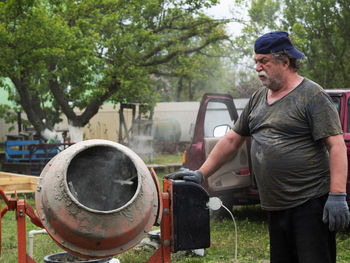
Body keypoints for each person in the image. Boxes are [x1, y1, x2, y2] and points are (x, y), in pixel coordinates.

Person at [167, 31, 350, 263]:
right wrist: (201, 173)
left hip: (309, 204)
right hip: (275, 206)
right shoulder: (258, 98)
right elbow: (232, 139)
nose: (257, 67)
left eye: (263, 61)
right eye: (255, 61)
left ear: (285, 61)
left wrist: (337, 195)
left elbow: (336, 145)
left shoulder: (312, 96)